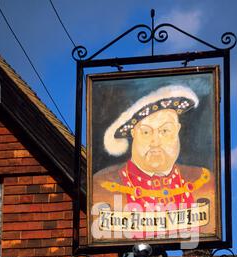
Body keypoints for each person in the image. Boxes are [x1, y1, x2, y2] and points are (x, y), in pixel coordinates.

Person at [92, 85, 216, 235]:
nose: (155, 142)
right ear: (133, 134)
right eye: (146, 132)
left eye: (165, 131)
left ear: (177, 130)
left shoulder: (205, 182)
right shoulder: (101, 187)